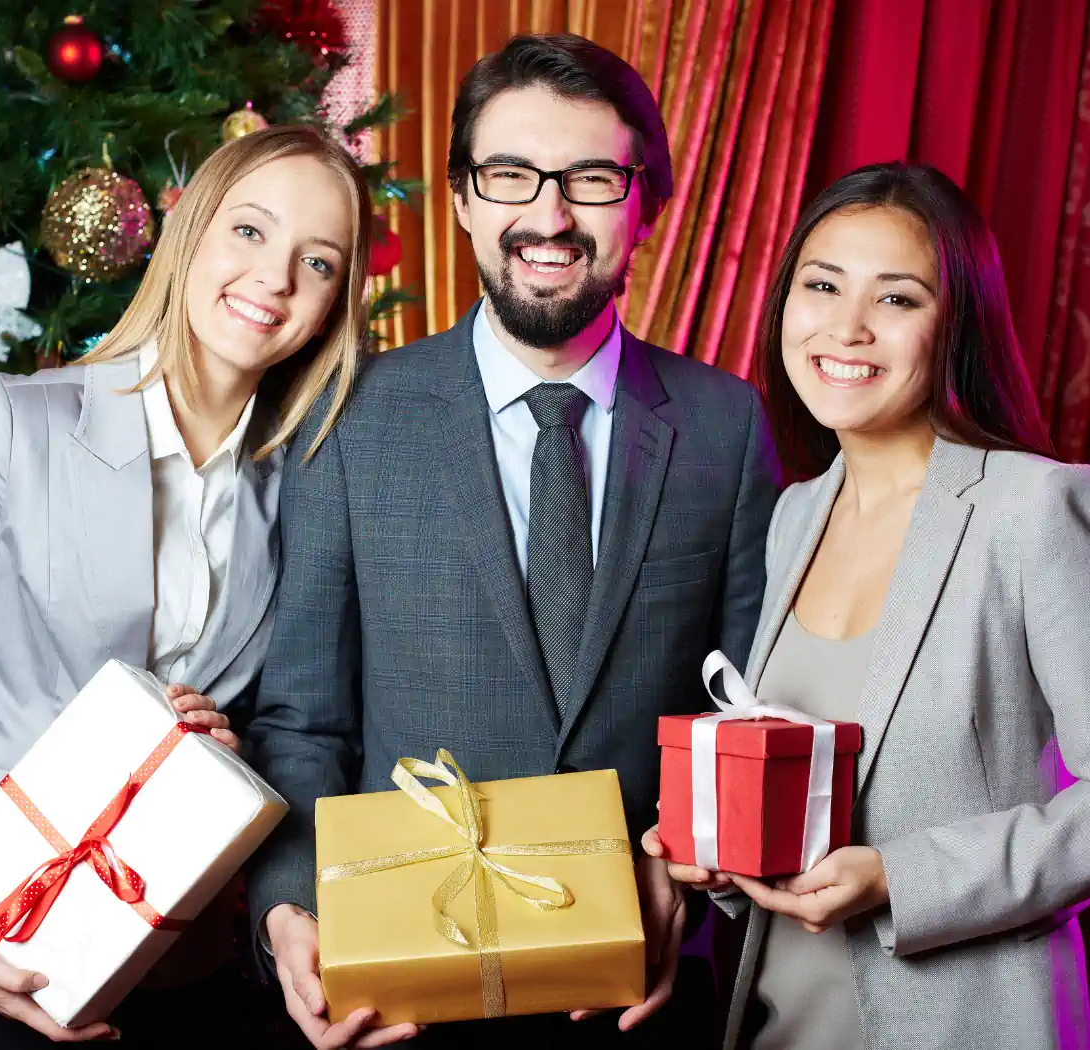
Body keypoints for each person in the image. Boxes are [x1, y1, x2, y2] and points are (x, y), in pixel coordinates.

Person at [246, 33, 780, 1050]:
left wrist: (687, 874)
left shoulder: (726, 425)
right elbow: (302, 720)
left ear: (645, 204)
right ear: (458, 198)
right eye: (508, 176)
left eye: (588, 179)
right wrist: (285, 909)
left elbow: (743, 717)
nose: (547, 216)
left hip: (639, 998)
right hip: (397, 996)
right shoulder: (349, 420)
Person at [0, 124, 372, 1049]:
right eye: (251, 231)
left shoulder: (305, 485)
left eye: (319, 261)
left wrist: (225, 748)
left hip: (180, 970)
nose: (275, 278)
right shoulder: (15, 426)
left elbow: (298, 724)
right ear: (190, 235)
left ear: (336, 302)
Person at [643, 162, 1090, 1050]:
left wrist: (902, 877)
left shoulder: (1033, 509)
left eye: (896, 299)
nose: (845, 327)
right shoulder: (797, 512)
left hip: (969, 1024)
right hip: (779, 1015)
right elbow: (808, 796)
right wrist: (719, 853)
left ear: (953, 324)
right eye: (821, 285)